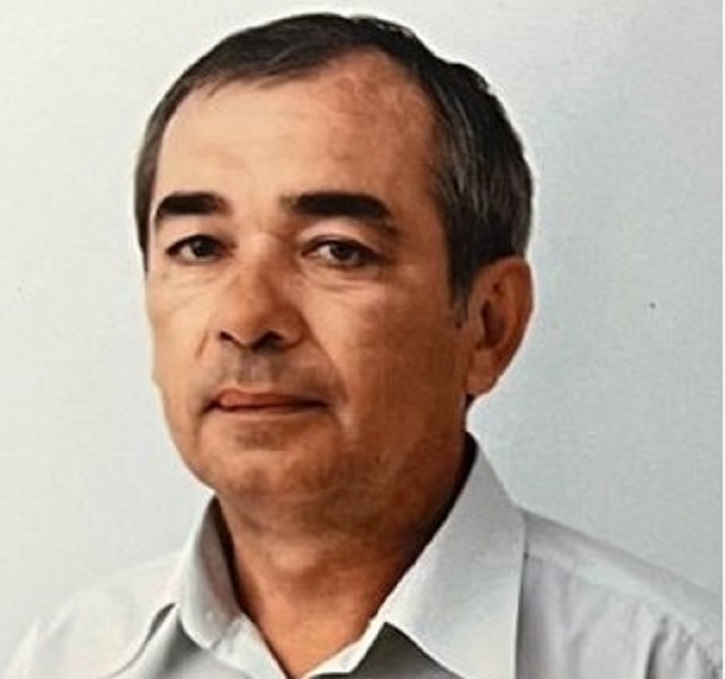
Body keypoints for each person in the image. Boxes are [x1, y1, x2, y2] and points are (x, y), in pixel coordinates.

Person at [3, 12, 719, 679]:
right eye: (199, 247)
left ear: (488, 324)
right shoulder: (67, 660)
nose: (247, 319)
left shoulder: (664, 661)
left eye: (337, 250)